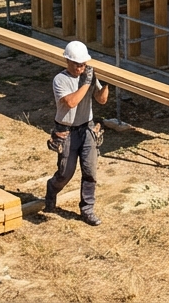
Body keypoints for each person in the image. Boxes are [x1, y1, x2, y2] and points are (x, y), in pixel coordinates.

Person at [45, 40, 109, 226]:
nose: (81, 68)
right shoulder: (60, 80)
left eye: (83, 64)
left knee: (90, 171)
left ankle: (87, 209)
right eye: (77, 64)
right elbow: (71, 102)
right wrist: (86, 83)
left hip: (87, 128)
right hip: (66, 131)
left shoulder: (89, 75)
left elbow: (101, 100)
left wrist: (105, 84)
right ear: (67, 62)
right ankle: (51, 189)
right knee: (66, 172)